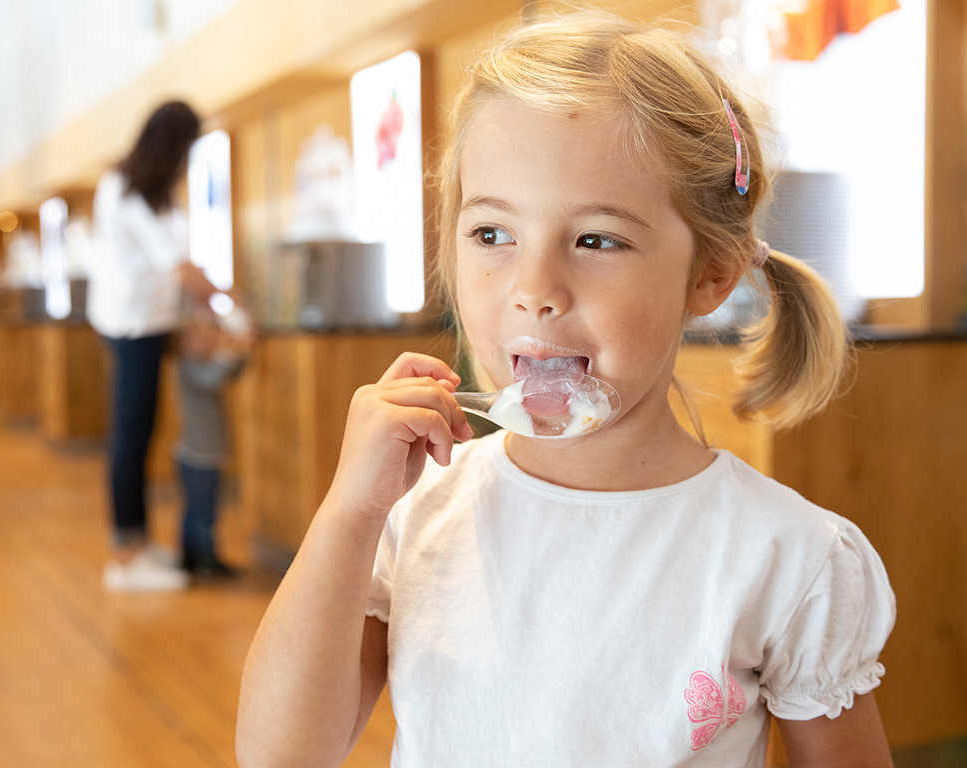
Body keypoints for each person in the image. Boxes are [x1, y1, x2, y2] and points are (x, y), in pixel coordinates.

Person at [236, 12, 896, 768]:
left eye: (596, 240)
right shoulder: (414, 517)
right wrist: (350, 511)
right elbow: (278, 756)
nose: (533, 290)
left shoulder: (783, 558)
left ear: (710, 274)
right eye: (492, 234)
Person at [89, 101, 216, 592]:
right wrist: (224, 301)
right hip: (129, 326)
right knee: (130, 436)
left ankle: (139, 542)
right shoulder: (121, 188)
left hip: (154, 324)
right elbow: (177, 266)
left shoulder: (159, 195)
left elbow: (177, 264)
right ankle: (126, 554)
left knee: (144, 432)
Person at [173, 300, 253, 579]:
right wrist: (228, 352)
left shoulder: (200, 366)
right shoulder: (189, 369)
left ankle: (193, 556)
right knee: (201, 510)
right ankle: (200, 557)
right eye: (199, 339)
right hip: (197, 454)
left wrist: (242, 350)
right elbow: (213, 379)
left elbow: (229, 373)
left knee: (201, 508)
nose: (206, 344)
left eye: (208, 338)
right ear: (184, 344)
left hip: (206, 453)